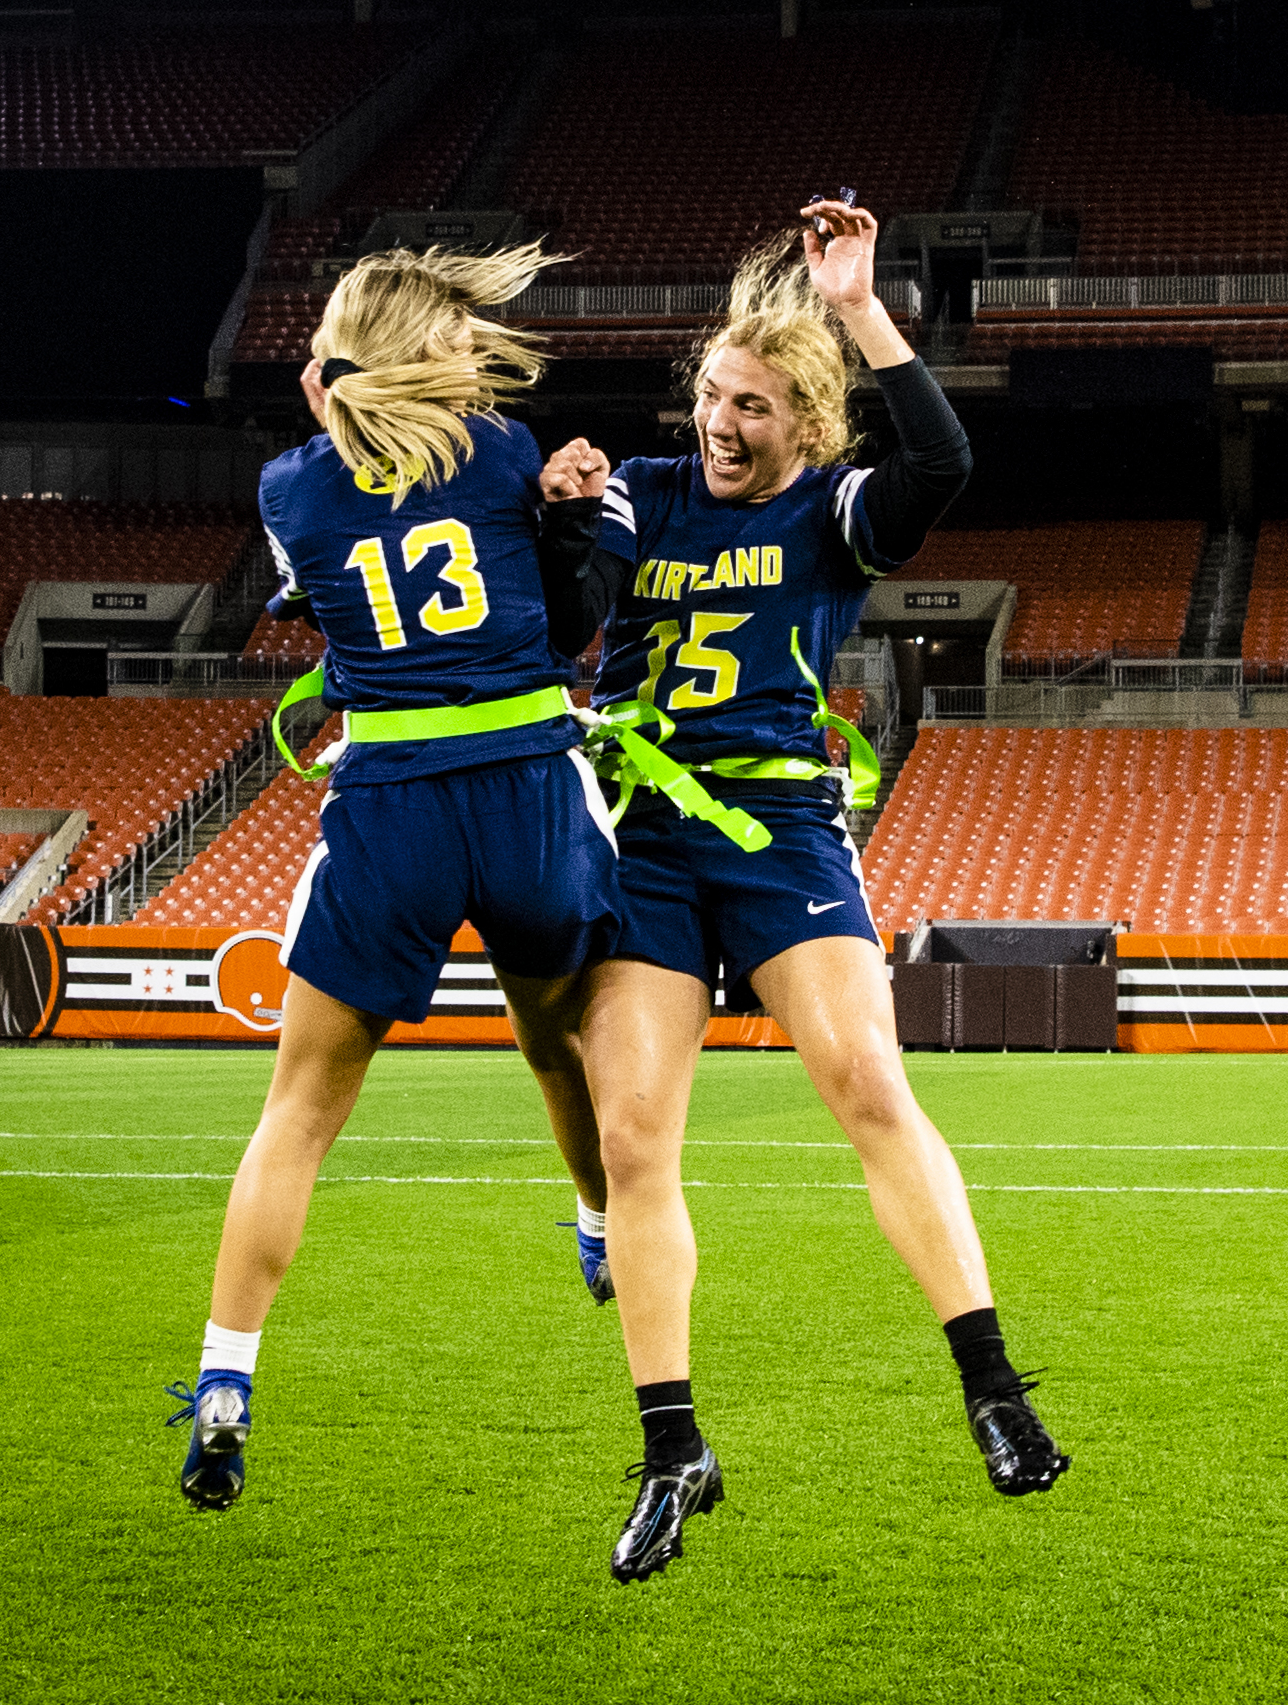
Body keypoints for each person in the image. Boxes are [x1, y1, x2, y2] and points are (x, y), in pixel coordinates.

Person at [537, 197, 1066, 1586]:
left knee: (866, 1080)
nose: (722, 421)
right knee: (636, 1137)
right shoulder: (640, 493)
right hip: (643, 833)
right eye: (713, 394)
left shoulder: (833, 508)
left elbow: (943, 456)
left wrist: (858, 306)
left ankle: (993, 1384)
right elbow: (568, 613)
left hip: (777, 827)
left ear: (806, 423)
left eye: (754, 405)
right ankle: (672, 1451)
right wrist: (554, 509)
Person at [172, 245, 625, 1518]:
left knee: (299, 1112)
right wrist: (567, 507)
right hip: (527, 776)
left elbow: (318, 585)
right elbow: (562, 612)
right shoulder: (496, 451)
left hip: (390, 798)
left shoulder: (286, 485)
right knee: (555, 1045)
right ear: (432, 347)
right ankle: (597, 1220)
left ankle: (226, 1373)